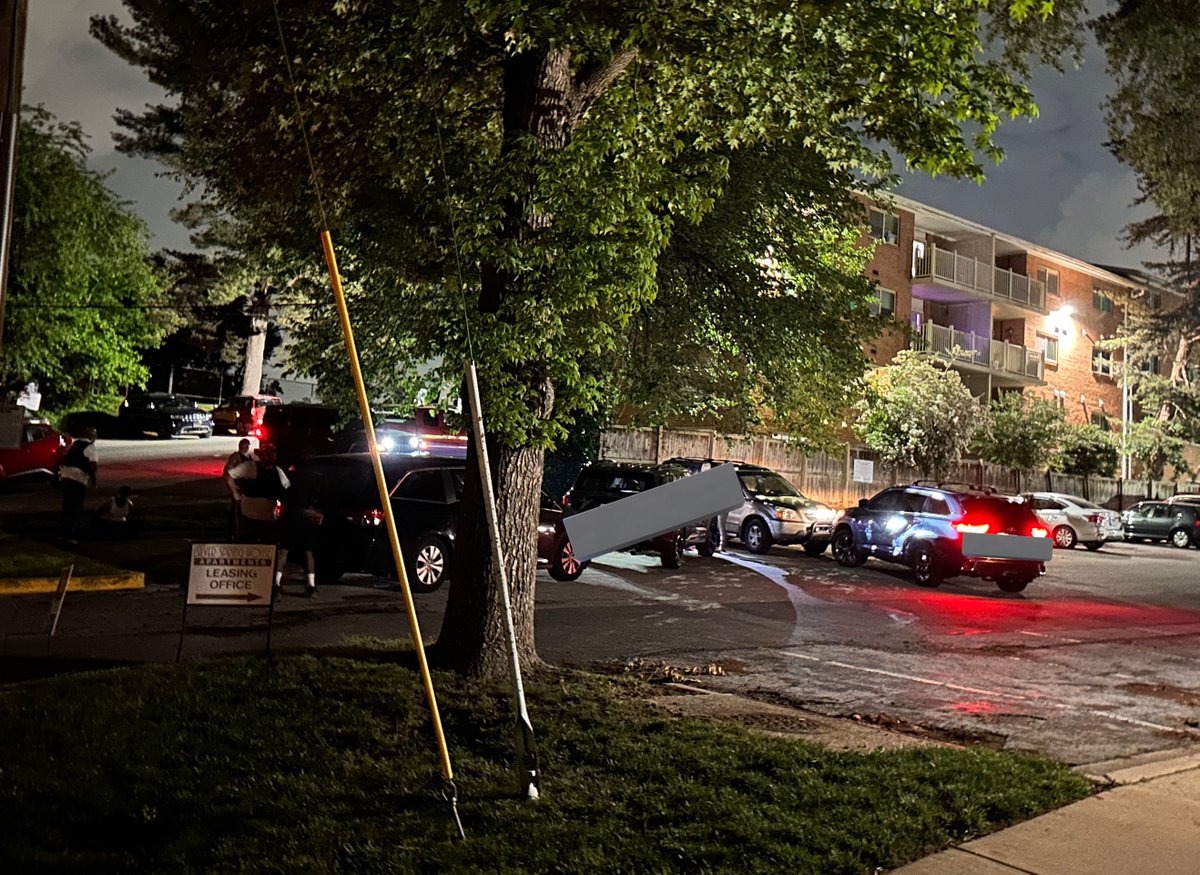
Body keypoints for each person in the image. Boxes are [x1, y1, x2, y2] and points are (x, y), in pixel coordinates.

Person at [229, 444, 289, 546]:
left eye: (272, 454)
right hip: (250, 516)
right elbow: (229, 475)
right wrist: (235, 493)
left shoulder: (278, 471)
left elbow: (287, 488)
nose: (270, 456)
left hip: (268, 517)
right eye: (267, 454)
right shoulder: (250, 467)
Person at [59, 427, 98, 543]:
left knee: (67, 506)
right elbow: (92, 466)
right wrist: (93, 480)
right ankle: (70, 536)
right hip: (78, 478)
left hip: (65, 475)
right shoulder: (90, 447)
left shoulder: (76, 444)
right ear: (92, 437)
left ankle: (63, 533)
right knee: (75, 507)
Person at [222, 438, 253, 538]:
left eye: (248, 445)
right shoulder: (236, 457)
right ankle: (233, 532)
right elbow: (228, 472)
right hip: (238, 488)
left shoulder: (249, 457)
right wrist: (234, 489)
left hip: (246, 489)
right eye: (245, 445)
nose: (247, 447)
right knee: (236, 511)